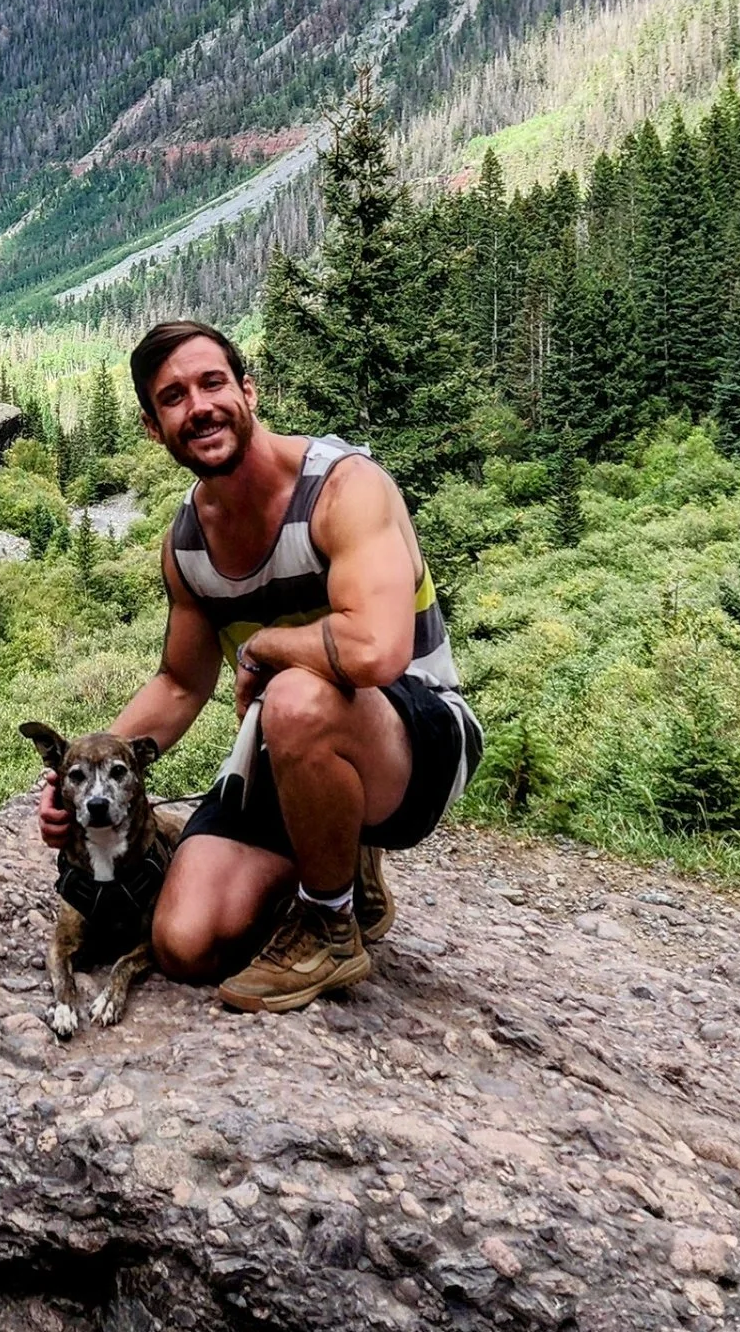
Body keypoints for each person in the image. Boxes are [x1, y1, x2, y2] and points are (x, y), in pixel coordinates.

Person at [36, 319, 478, 1013]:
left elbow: (375, 651)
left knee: (296, 697)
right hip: (285, 753)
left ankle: (330, 922)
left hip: (412, 743)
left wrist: (266, 646)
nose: (200, 405)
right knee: (182, 940)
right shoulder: (187, 545)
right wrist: (83, 772)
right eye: (174, 397)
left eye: (213, 382)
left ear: (248, 389)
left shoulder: (343, 489)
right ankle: (328, 849)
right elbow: (181, 684)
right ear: (155, 428)